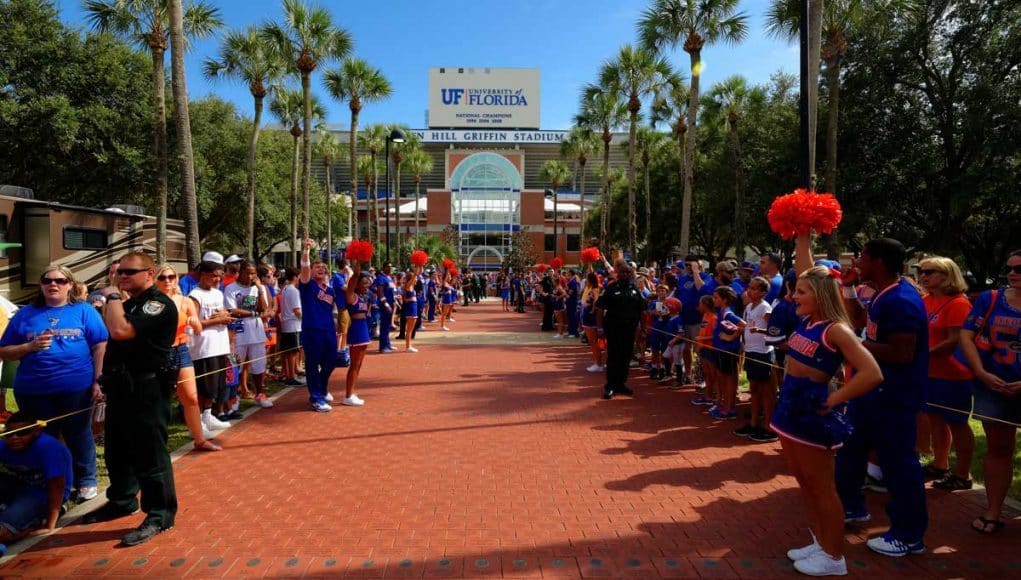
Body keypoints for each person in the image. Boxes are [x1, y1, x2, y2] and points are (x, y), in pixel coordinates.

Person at [772, 232, 884, 577]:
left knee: (822, 486)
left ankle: (835, 557)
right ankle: (822, 542)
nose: (793, 296)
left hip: (812, 410)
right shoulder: (809, 319)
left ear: (819, 296)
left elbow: (872, 373)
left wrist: (833, 399)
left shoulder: (836, 330)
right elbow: (807, 270)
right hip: (789, 404)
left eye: (800, 292)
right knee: (804, 483)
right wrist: (802, 239)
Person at [836, 238, 929, 557]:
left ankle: (909, 534)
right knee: (850, 448)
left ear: (878, 261)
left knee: (898, 463)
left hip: (894, 395)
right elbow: (861, 323)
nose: (856, 262)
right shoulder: (882, 294)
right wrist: (848, 291)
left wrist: (853, 345)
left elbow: (902, 353)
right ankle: (852, 508)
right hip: (871, 391)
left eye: (861, 256)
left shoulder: (902, 299)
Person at [83, 251, 178, 547]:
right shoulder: (131, 303)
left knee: (150, 455)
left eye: (129, 272)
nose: (122, 277)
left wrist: (111, 296)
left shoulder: (157, 304)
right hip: (122, 388)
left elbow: (122, 331)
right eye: (119, 272)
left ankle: (160, 513)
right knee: (117, 449)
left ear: (149, 274)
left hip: (147, 390)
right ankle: (123, 500)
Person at [0, 266, 107, 502]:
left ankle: (86, 480)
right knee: (42, 437)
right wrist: (29, 347)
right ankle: (50, 483)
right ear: (41, 285)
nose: (53, 284)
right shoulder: (25, 314)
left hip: (76, 388)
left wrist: (98, 380)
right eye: (47, 280)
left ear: (70, 285)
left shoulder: (84, 310)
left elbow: (100, 345)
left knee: (78, 434)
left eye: (60, 280)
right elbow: (3, 351)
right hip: (33, 390)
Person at [958, 249, 1021, 535]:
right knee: (999, 448)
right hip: (993, 386)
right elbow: (966, 335)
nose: (1012, 274)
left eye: (1019, 269)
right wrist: (981, 373)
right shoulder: (990, 299)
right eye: (1009, 268)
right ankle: (993, 511)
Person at [915, 257, 975, 491]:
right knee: (935, 420)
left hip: (953, 374)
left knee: (957, 423)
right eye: (921, 271)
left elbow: (955, 341)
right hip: (929, 372)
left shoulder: (958, 303)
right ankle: (940, 464)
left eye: (929, 271)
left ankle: (963, 474)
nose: (923, 276)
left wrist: (922, 354)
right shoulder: (925, 300)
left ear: (946, 274)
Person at [155, 264, 219, 452]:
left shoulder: (185, 301)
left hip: (180, 350)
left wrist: (193, 322)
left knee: (191, 397)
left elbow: (198, 330)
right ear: (155, 280)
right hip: (159, 353)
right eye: (162, 277)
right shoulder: (152, 302)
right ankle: (157, 444)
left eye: (171, 277)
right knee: (161, 400)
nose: (167, 281)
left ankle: (199, 439)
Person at [0, 412, 73, 544]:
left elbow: (57, 486)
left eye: (23, 433)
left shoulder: (48, 447)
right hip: (20, 487)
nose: (15, 437)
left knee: (3, 534)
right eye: (9, 434)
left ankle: (30, 525)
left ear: (37, 431)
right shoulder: (4, 446)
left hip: (43, 494)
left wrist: (49, 526)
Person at [188, 261, 236, 434]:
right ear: (204, 275)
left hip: (219, 345)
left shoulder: (217, 293)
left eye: (220, 276)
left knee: (215, 386)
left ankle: (208, 415)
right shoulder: (195, 295)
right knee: (203, 386)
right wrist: (217, 320)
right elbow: (194, 323)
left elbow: (224, 312)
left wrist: (225, 315)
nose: (218, 279)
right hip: (203, 348)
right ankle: (198, 421)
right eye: (214, 275)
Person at [297, 240, 344, 411]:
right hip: (312, 330)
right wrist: (307, 252)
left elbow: (334, 309)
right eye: (317, 267)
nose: (321, 270)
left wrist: (338, 324)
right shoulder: (307, 285)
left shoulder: (329, 290)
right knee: (312, 363)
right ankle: (315, 397)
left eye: (323, 268)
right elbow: (304, 268)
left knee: (331, 362)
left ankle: (322, 389)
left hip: (328, 330)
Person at [223, 261, 272, 409]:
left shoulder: (258, 288)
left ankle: (260, 394)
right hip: (239, 333)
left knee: (259, 366)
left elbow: (264, 309)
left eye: (253, 273)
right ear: (241, 272)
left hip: (256, 334)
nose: (251, 276)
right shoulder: (230, 288)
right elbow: (233, 310)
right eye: (248, 273)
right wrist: (254, 313)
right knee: (235, 366)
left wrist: (260, 290)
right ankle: (234, 397)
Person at [595, 261, 645, 400]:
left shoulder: (635, 290)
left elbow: (642, 311)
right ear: (618, 274)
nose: (625, 274)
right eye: (622, 272)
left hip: (629, 330)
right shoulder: (611, 288)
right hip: (613, 329)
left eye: (628, 272)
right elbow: (600, 308)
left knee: (626, 357)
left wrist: (643, 328)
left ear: (631, 274)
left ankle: (621, 384)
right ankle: (610, 386)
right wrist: (599, 328)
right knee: (614, 356)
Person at [738, 276, 779, 443]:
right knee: (753, 388)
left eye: (755, 288)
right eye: (750, 287)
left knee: (766, 391)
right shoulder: (748, 306)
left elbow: (773, 330)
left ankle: (769, 426)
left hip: (763, 353)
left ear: (763, 292)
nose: (750, 290)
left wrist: (759, 330)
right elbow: (747, 325)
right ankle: (754, 422)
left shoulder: (765, 308)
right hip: (750, 351)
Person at [709, 286, 744, 421]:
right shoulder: (722, 311)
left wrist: (730, 337)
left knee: (729, 378)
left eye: (716, 297)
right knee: (722, 377)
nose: (714, 300)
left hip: (728, 350)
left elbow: (743, 325)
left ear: (724, 300)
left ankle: (730, 408)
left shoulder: (727, 313)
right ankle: (725, 404)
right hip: (721, 349)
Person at [342, 262, 374, 408]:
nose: (367, 286)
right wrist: (357, 263)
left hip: (363, 330)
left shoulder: (362, 297)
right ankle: (348, 395)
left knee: (359, 364)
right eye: (364, 283)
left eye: (368, 284)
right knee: (354, 365)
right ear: (357, 284)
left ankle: (352, 392)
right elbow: (354, 277)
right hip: (356, 331)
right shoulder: (351, 295)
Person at [278, 267, 304, 386]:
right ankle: (291, 376)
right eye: (299, 277)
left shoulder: (285, 289)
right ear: (295, 277)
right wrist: (306, 320)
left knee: (289, 352)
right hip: (293, 325)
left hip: (287, 324)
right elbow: (297, 311)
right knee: (293, 352)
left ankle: (290, 375)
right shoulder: (293, 290)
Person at [581, 272, 603, 372]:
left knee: (593, 342)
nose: (586, 280)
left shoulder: (595, 289)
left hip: (590, 318)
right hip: (588, 317)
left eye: (587, 279)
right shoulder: (593, 288)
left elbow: (596, 302)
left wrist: (592, 310)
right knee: (593, 342)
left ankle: (598, 364)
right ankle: (597, 362)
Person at [374, 263, 397, 353]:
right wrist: (385, 303)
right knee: (384, 326)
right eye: (388, 267)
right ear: (384, 267)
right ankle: (383, 347)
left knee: (387, 326)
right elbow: (379, 292)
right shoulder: (381, 277)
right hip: (385, 305)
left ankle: (387, 344)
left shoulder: (389, 278)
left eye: (391, 267)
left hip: (391, 303)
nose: (390, 268)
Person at [401, 268, 421, 352]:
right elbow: (415, 275)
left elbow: (418, 273)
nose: (416, 280)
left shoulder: (411, 286)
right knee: (409, 329)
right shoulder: (408, 285)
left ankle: (409, 345)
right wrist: (416, 268)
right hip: (411, 308)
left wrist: (420, 265)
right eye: (415, 279)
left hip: (413, 307)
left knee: (411, 329)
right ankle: (408, 347)